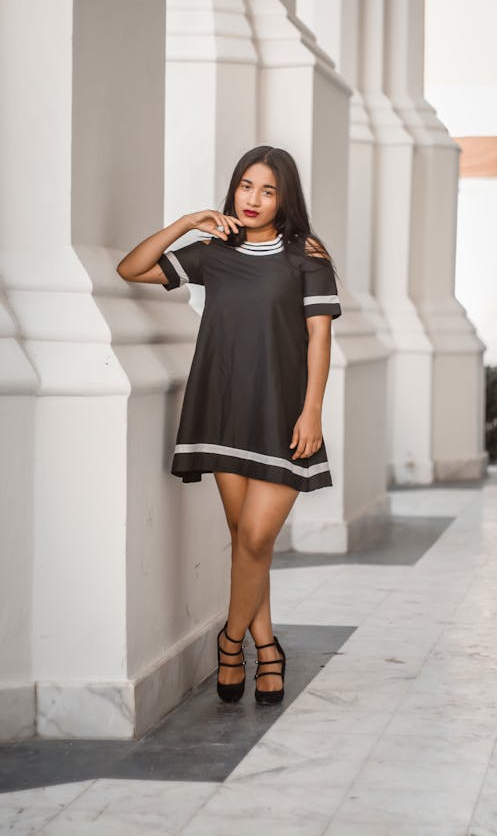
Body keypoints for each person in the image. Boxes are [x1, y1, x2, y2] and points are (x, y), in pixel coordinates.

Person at [116, 145, 342, 705]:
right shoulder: (214, 252)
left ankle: (230, 639)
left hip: (283, 414)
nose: (254, 199)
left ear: (285, 198)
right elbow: (131, 268)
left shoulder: (306, 258)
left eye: (268, 190)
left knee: (259, 536)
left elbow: (319, 337)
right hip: (221, 408)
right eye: (246, 185)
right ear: (234, 188)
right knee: (245, 540)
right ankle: (267, 650)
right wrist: (188, 222)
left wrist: (312, 410)